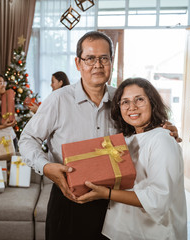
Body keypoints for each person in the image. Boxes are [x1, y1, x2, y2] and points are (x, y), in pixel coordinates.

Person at [18, 31, 180, 240]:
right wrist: (46, 167)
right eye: (90, 58)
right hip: (69, 197)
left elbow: (141, 131)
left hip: (113, 202)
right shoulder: (58, 100)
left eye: (104, 58)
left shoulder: (121, 100)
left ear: (111, 62)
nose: (97, 65)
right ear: (78, 63)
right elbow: (27, 139)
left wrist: (165, 128)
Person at [77, 78, 187, 240]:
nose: (132, 107)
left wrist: (106, 194)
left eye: (139, 99)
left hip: (151, 233)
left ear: (153, 103)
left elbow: (158, 200)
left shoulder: (162, 140)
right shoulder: (127, 139)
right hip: (117, 229)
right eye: (125, 102)